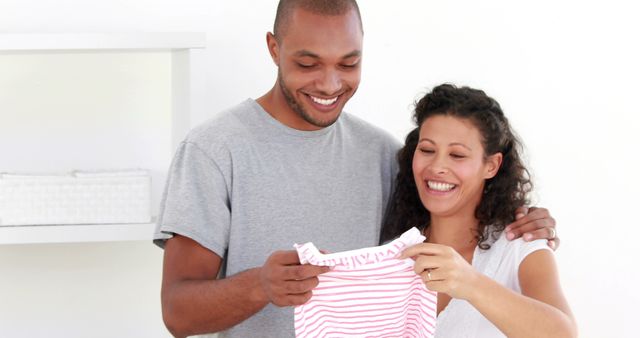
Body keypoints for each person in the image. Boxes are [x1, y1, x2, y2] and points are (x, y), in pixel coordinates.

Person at [154, 1, 558, 337]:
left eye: (348, 64)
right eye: (308, 64)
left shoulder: (383, 153)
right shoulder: (213, 151)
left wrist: (522, 218)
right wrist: (260, 286)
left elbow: (450, 195)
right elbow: (177, 312)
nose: (330, 84)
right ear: (274, 49)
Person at [382, 84, 576, 337]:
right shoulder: (393, 252)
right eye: (427, 150)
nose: (437, 166)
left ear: (492, 165)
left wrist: (470, 283)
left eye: (457, 155)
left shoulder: (518, 248)